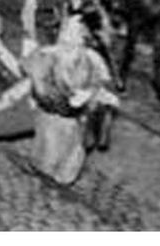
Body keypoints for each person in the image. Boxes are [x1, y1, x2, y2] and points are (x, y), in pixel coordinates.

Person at [23, 13, 119, 185]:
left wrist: (89, 95)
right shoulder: (47, 56)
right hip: (53, 116)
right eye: (66, 34)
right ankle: (43, 171)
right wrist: (63, 99)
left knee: (70, 165)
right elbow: (39, 87)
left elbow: (102, 84)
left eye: (75, 35)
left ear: (83, 38)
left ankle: (61, 177)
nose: (69, 39)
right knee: (48, 156)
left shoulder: (92, 60)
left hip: (77, 122)